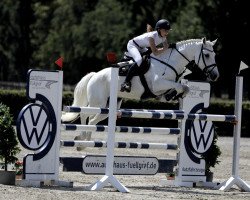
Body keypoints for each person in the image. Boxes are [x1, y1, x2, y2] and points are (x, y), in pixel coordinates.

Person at [120, 19, 171, 92]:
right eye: (165, 30)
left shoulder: (163, 37)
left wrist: (170, 47)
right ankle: (126, 82)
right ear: (159, 30)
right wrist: (165, 48)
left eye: (168, 30)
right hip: (133, 45)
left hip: (142, 47)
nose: (167, 32)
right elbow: (156, 52)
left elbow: (166, 47)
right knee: (139, 60)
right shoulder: (152, 36)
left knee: (151, 59)